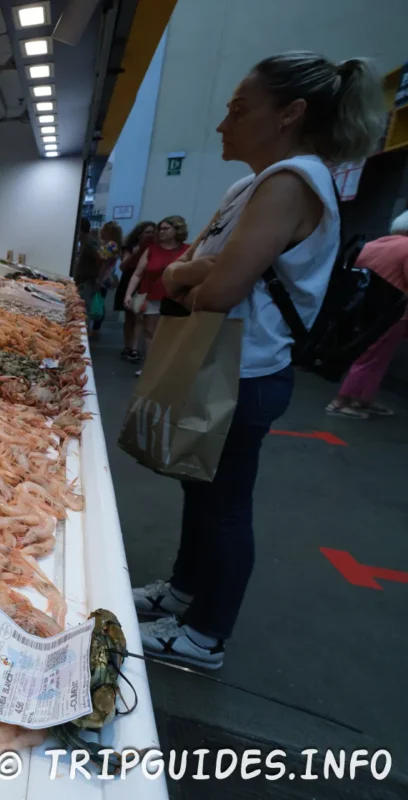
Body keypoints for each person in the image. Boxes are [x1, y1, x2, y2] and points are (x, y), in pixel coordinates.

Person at [132, 51, 385, 668]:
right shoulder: (252, 185)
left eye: (240, 110)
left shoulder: (291, 181)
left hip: (242, 368)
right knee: (200, 486)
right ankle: (184, 592)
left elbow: (214, 291)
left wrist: (197, 275)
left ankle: (205, 635)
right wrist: (200, 272)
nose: (223, 123)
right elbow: (194, 269)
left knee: (223, 504)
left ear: (291, 114)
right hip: (221, 360)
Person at [326, 210, 408, 418]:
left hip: (362, 310)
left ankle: (362, 399)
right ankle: (341, 402)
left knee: (368, 356)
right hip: (392, 313)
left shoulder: (372, 245)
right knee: (372, 358)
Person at [122, 216, 190, 370]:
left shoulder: (188, 250)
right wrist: (128, 294)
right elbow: (137, 274)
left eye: (166, 228)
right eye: (160, 229)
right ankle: (150, 368)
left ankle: (168, 368)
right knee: (150, 333)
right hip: (152, 297)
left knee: (173, 335)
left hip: (177, 299)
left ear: (177, 230)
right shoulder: (152, 250)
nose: (161, 232)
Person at [115, 221, 156, 361]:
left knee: (142, 317)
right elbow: (123, 266)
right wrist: (139, 251)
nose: (150, 235)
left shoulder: (156, 248)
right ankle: (128, 346)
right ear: (139, 234)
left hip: (146, 281)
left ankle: (135, 347)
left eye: (152, 232)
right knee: (130, 317)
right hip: (130, 280)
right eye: (147, 232)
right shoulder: (130, 247)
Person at [91, 222, 124, 335]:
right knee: (100, 301)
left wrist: (99, 280)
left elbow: (103, 262)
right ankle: (95, 328)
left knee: (98, 302)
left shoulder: (111, 245)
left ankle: (95, 328)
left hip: (103, 277)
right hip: (106, 276)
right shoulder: (114, 244)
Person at [73, 221, 101, 323]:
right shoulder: (85, 241)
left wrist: (96, 276)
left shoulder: (90, 242)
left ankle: (84, 334)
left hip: (88, 281)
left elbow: (100, 257)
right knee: (81, 307)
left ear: (80, 230)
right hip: (83, 280)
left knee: (83, 309)